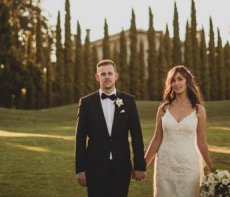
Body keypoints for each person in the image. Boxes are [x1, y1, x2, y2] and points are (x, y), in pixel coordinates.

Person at [75, 59, 147, 197]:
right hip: (94, 167)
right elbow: (80, 138)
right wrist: (80, 169)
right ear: (97, 77)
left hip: (121, 167)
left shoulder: (128, 101)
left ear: (116, 76)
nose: (106, 77)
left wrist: (139, 165)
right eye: (103, 74)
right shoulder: (86, 103)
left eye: (109, 73)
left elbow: (137, 135)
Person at [144, 65, 216, 197]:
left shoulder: (199, 110)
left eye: (180, 79)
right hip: (165, 165)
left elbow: (201, 142)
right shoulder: (163, 109)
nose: (176, 83)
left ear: (187, 81)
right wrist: (142, 165)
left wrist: (213, 169)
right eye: (173, 80)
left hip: (188, 165)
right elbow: (157, 139)